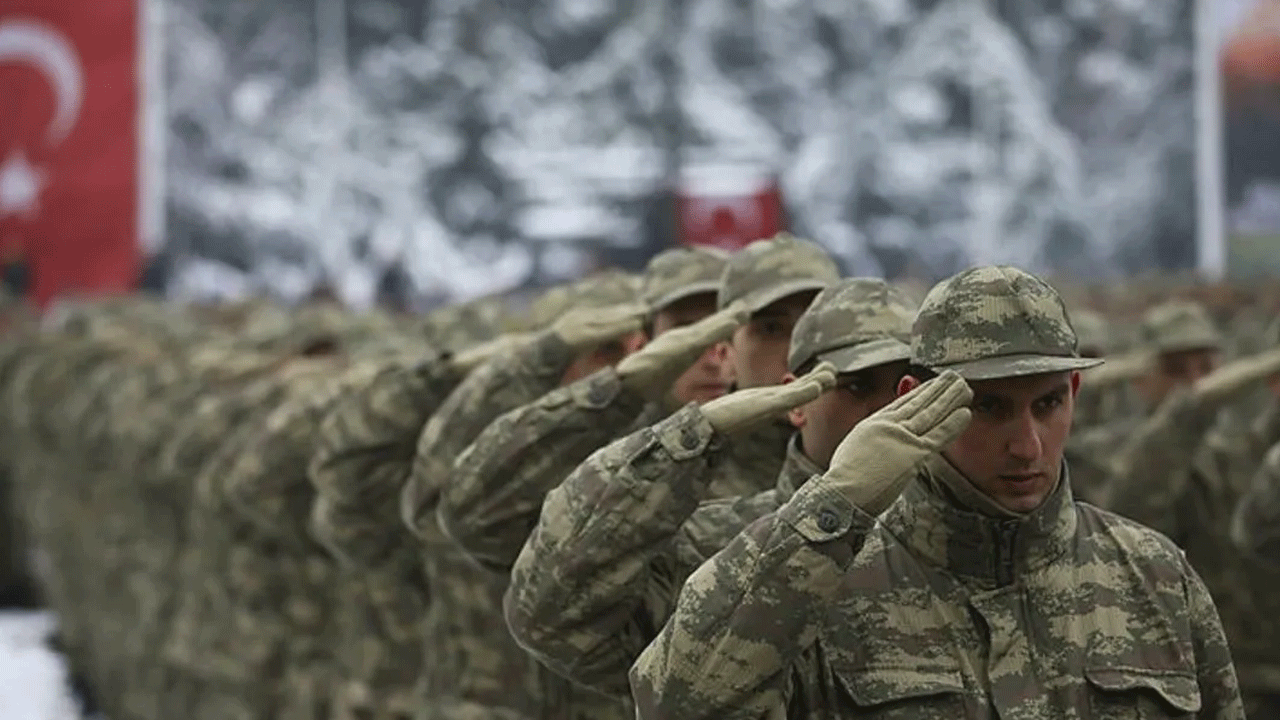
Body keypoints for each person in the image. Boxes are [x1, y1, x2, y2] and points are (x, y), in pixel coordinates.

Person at [630, 265, 1243, 719]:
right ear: (913, 401)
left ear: (1075, 393)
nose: (1027, 445)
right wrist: (830, 507)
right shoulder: (821, 578)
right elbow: (673, 702)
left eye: (1048, 403)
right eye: (988, 409)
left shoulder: (1152, 574)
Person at [503, 278, 915, 698]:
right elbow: (548, 615)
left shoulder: (953, 543)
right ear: (797, 400)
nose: (885, 410)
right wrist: (690, 435)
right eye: (857, 386)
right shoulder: (718, 546)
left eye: (909, 387)